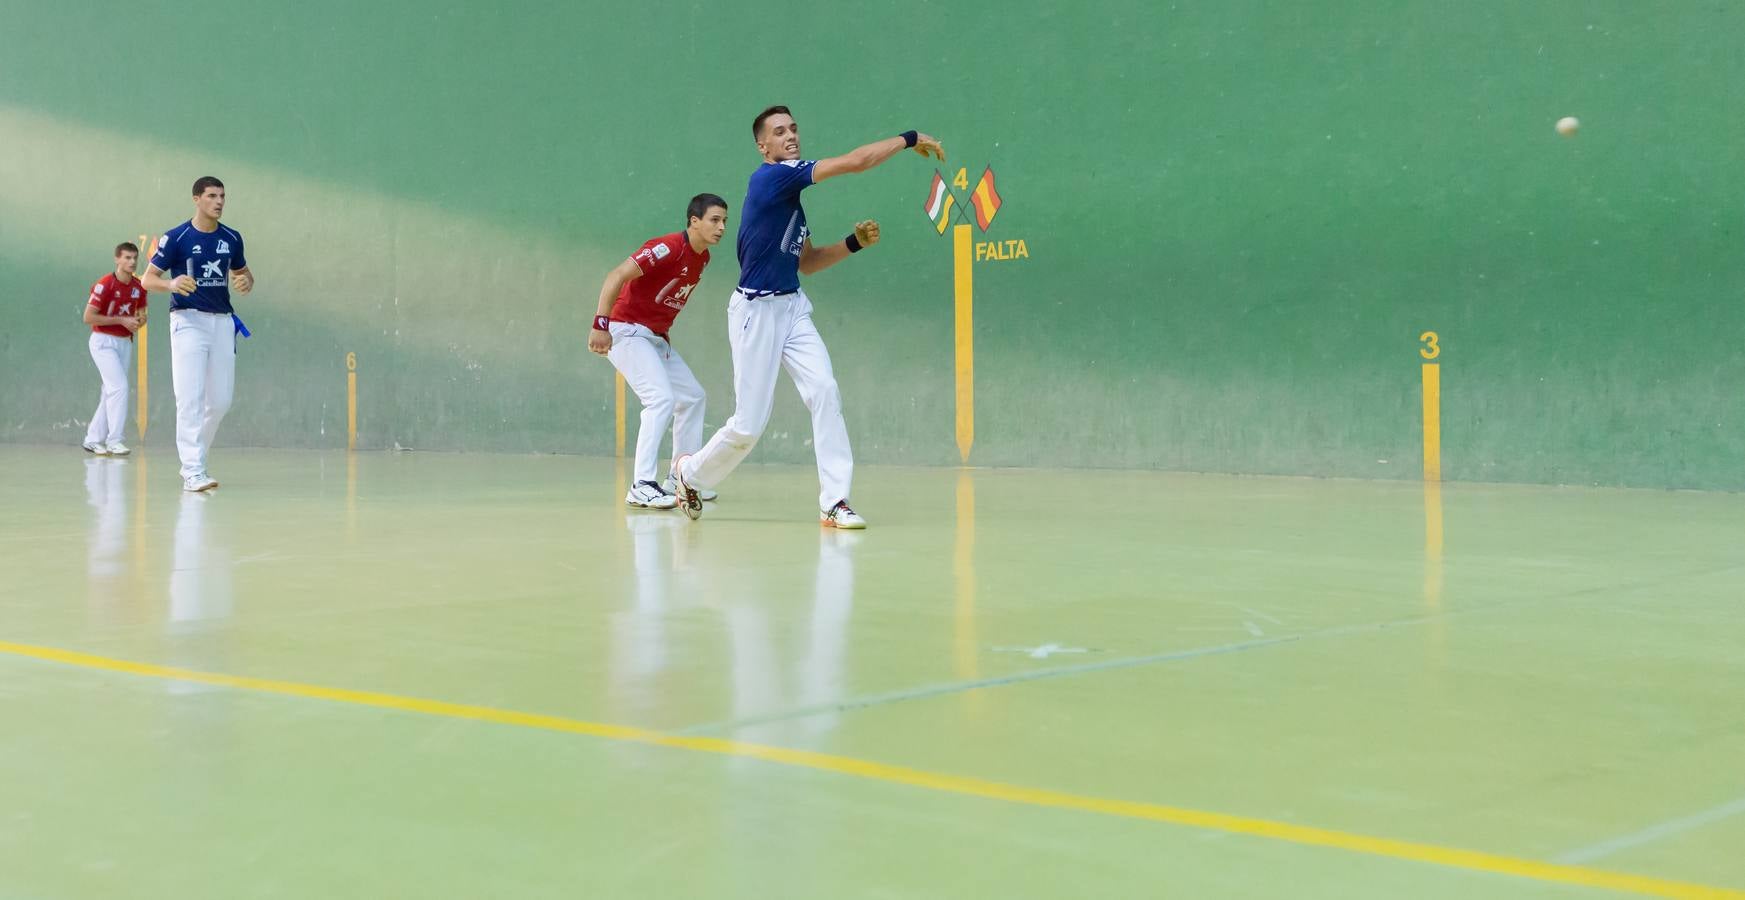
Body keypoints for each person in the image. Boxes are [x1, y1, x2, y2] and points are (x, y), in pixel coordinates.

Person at [670, 106, 943, 528]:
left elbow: (808, 263)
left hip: (792, 306)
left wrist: (853, 243)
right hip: (756, 311)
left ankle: (835, 502)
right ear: (763, 146)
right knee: (748, 426)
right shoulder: (773, 178)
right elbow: (856, 162)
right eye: (779, 132)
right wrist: (909, 138)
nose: (790, 136)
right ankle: (688, 473)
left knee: (825, 391)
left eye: (793, 128)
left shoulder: (791, 203)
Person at [589, 194, 728, 509]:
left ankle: (683, 479)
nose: (721, 227)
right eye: (714, 220)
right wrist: (601, 323)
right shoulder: (667, 248)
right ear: (694, 222)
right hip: (625, 330)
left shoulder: (702, 258)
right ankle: (642, 484)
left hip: (654, 338)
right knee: (660, 399)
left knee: (693, 397)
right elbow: (617, 275)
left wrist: (662, 335)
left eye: (724, 222)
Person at [140, 176, 254, 492]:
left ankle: (195, 461)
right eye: (212, 196)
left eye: (222, 196)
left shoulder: (232, 238)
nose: (218, 201)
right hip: (187, 322)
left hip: (223, 323)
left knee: (219, 401)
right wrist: (172, 284)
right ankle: (193, 470)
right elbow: (147, 280)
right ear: (196, 199)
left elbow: (243, 274)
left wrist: (246, 282)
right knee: (189, 398)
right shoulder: (176, 237)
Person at [80, 242, 148, 456]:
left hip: (124, 342)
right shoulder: (105, 284)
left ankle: (92, 439)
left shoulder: (139, 286)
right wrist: (121, 319)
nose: (132, 262)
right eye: (127, 258)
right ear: (117, 259)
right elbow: (88, 317)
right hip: (102, 341)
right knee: (119, 387)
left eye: (134, 258)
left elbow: (142, 314)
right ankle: (114, 440)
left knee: (110, 392)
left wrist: (139, 320)